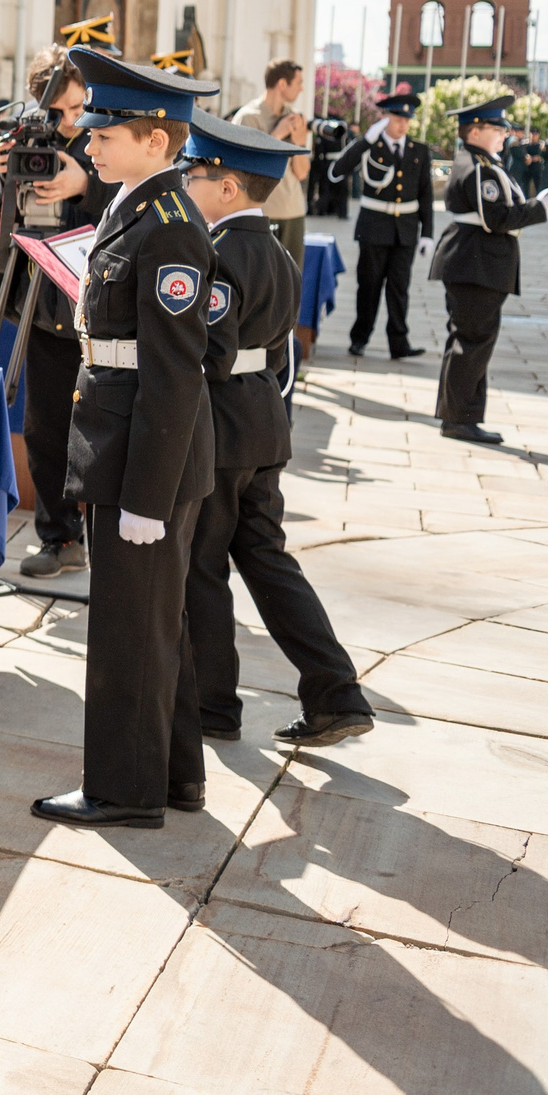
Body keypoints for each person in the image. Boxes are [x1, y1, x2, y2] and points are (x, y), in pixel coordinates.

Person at [30, 48, 218, 831]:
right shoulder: (136, 206)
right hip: (123, 438)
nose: (90, 141)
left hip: (146, 453)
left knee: (127, 629)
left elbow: (174, 373)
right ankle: (174, 775)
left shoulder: (169, 226)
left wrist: (146, 496)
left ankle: (123, 789)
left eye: (108, 132)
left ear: (157, 140)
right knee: (152, 622)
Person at [175, 112, 374, 748]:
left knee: (202, 566)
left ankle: (213, 707)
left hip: (223, 429)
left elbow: (210, 350)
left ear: (227, 188)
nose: (184, 182)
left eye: (193, 173)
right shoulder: (282, 254)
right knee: (267, 560)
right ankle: (336, 692)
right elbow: (281, 355)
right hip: (263, 425)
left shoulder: (217, 253)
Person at [0, 47, 115, 580]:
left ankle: (113, 543)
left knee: (104, 429)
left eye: (76, 107)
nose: (69, 121)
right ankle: (60, 538)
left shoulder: (104, 136)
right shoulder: (28, 140)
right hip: (42, 301)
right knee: (44, 427)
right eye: (58, 110)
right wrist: (1, 175)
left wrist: (84, 182)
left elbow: (139, 195)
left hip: (100, 299)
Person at [430, 93, 546, 445]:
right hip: (475, 264)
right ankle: (459, 420)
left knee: (471, 341)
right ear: (476, 130)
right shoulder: (478, 166)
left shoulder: (483, 161)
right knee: (472, 341)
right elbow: (496, 218)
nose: (505, 133)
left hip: (476, 263)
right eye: (499, 127)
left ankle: (460, 416)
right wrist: (541, 207)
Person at [327, 92, 431, 359]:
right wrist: (365, 141)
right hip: (374, 229)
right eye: (397, 118)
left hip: (405, 230)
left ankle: (399, 343)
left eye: (407, 119)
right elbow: (337, 171)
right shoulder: (371, 146)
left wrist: (428, 234)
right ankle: (360, 338)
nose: (403, 125)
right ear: (385, 118)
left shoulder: (418, 151)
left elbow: (426, 194)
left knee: (399, 289)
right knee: (369, 287)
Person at [229, 58, 315, 265]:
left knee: (292, 281)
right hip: (259, 212)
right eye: (298, 83)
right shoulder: (248, 117)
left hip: (293, 212)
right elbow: (242, 167)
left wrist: (298, 142)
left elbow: (302, 172)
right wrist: (276, 135)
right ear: (282, 84)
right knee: (259, 280)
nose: (302, 89)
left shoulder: (294, 117)